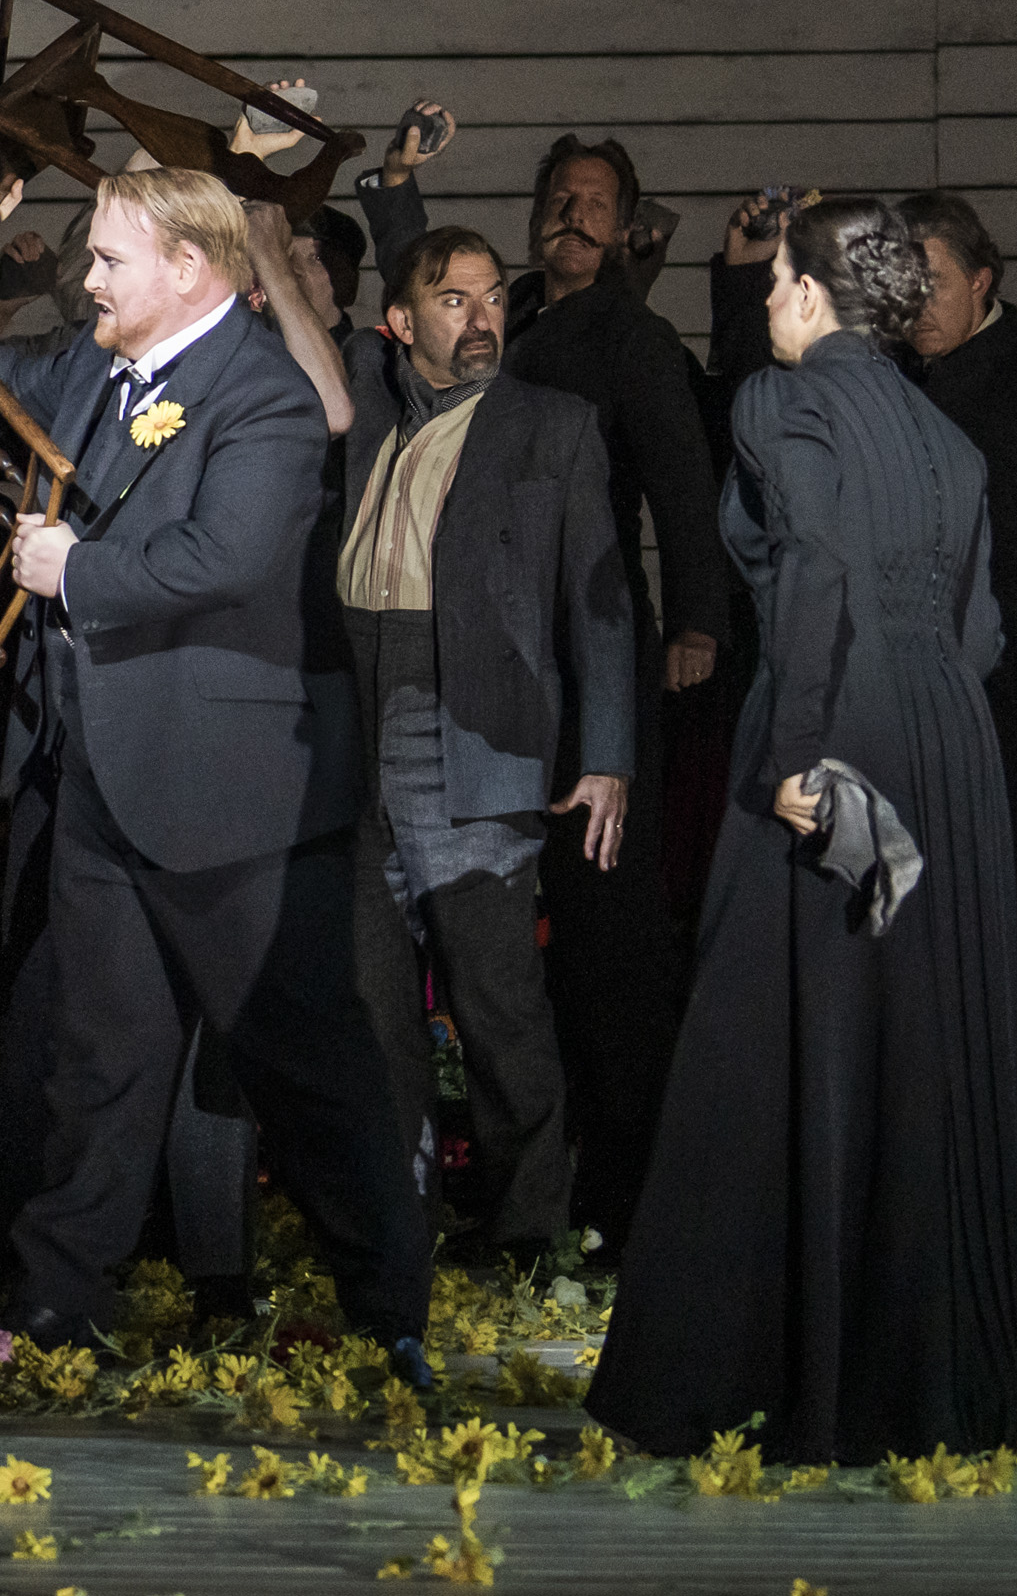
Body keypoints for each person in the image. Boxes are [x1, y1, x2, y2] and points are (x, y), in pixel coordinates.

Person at [0, 164, 425, 1374]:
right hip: (102, 770)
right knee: (99, 1053)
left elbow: (225, 555)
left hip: (234, 791)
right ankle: (59, 1296)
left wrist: (72, 571)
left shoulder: (266, 396)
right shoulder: (91, 364)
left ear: (186, 267)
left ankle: (388, 1300)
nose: (83, 279)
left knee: (302, 1060)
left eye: (106, 260)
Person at [590, 197, 1017, 1464]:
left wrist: (798, 751)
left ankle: (763, 1375)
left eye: (775, 277)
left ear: (806, 291)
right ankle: (932, 1386)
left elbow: (821, 567)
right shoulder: (941, 432)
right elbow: (985, 627)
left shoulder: (781, 403)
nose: (768, 298)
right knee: (916, 1052)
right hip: (945, 743)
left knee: (767, 1043)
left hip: (831, 726)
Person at [720, 188, 1017, 1246]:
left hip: (994, 718)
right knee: (882, 946)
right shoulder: (880, 384)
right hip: (872, 717)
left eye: (935, 278)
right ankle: (913, 1185)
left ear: (983, 279)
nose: (914, 299)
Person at [357, 123, 726, 1246]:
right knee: (404, 994)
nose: (571, 212)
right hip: (400, 700)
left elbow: (663, 508)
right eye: (557, 195)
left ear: (623, 227)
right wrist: (394, 193)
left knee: (532, 978)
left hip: (526, 680)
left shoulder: (621, 345)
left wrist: (693, 626)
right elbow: (420, 300)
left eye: (595, 200)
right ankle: (414, 1212)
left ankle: (572, 1205)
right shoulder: (478, 333)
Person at [332, 223, 635, 1262]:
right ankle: (395, 1218)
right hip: (355, 719)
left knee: (495, 996)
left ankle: (527, 1225)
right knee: (373, 1004)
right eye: (451, 299)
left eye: (493, 294)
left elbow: (600, 599)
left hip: (471, 722)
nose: (480, 317)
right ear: (399, 322)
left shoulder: (549, 422)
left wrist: (605, 754)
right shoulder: (369, 404)